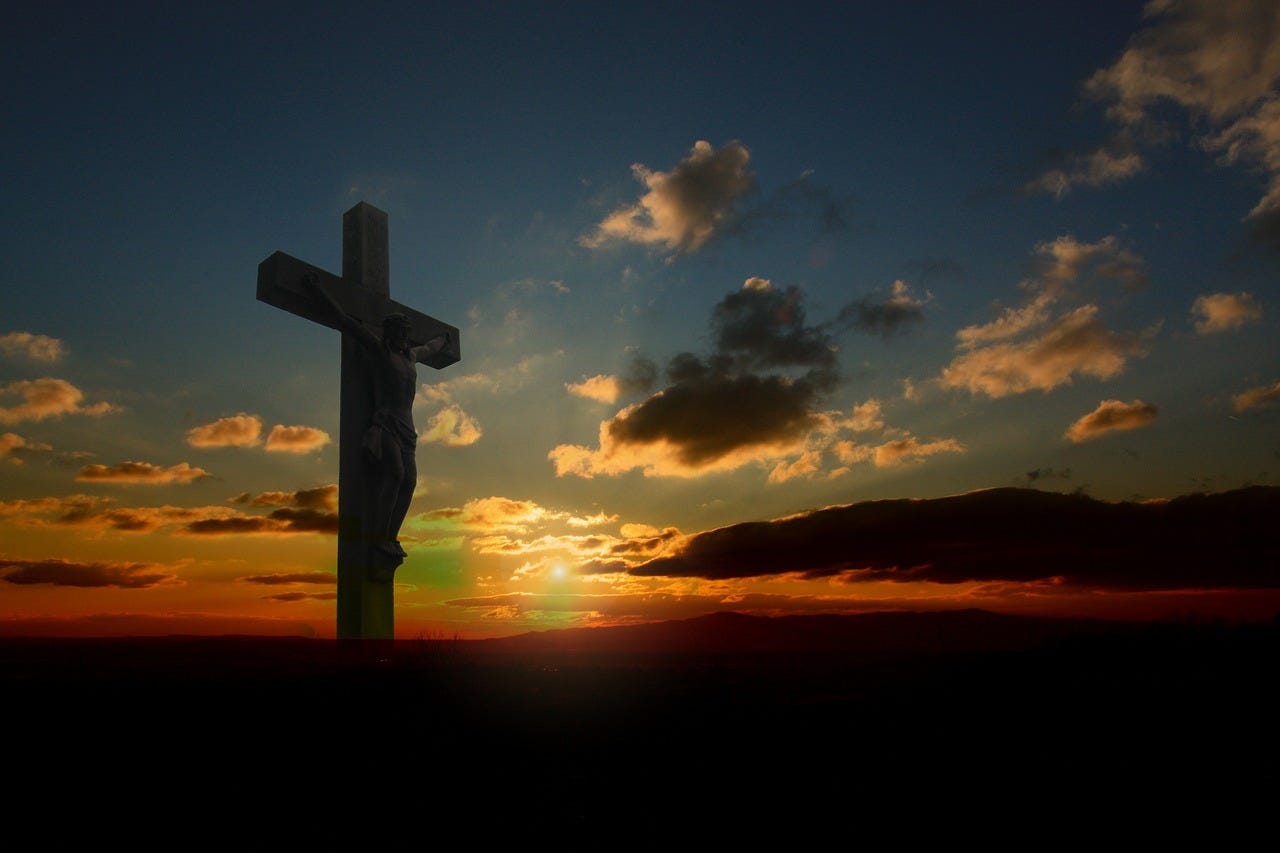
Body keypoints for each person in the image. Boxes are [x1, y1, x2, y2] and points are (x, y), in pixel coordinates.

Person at [302, 272, 449, 576]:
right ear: (389, 332)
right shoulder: (380, 351)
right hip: (387, 424)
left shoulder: (412, 356)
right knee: (394, 474)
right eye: (399, 331)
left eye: (406, 332)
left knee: (410, 482)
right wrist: (319, 292)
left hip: (407, 428)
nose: (404, 336)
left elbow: (432, 347)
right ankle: (379, 536)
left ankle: (390, 536)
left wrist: (444, 339)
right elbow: (344, 321)